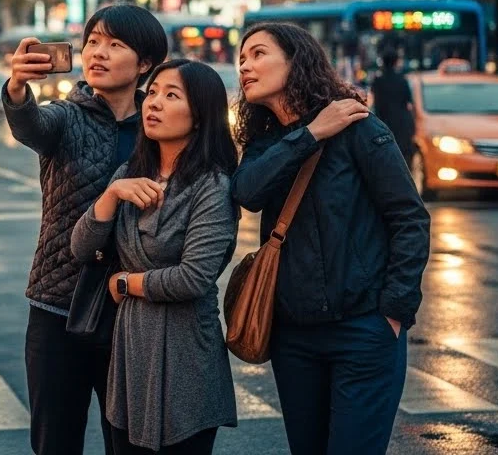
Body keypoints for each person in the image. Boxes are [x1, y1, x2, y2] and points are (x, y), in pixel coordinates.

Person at [231, 23, 430, 455]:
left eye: (258, 54)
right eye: (241, 58)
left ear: (296, 60)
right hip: (293, 338)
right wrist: (309, 134)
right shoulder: (266, 142)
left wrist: (393, 312)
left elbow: (409, 218)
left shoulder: (358, 127)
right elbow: (247, 192)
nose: (245, 66)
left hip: (363, 330)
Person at [3, 4, 169, 455]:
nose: (98, 52)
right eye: (93, 41)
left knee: (131, 441)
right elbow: (30, 124)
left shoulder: (160, 126)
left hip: (132, 308)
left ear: (146, 64)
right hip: (58, 305)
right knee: (56, 439)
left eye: (115, 45)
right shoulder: (66, 115)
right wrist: (18, 87)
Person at [71, 59, 240, 455]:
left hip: (185, 348)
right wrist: (111, 197)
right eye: (153, 92)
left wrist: (126, 283)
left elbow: (194, 278)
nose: (154, 103)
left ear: (200, 115)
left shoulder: (211, 185)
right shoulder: (130, 173)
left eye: (171, 95)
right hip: (131, 345)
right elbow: (81, 249)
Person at [369, 50, 417, 164]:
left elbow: (376, 103)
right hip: (401, 124)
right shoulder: (402, 80)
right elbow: (408, 102)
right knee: (403, 157)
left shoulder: (378, 81)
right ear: (396, 62)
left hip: (383, 122)